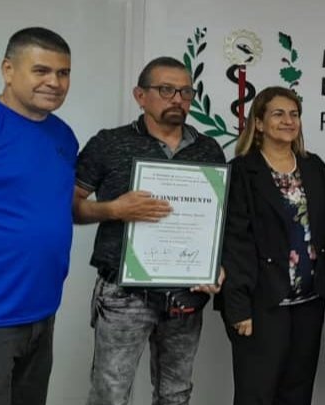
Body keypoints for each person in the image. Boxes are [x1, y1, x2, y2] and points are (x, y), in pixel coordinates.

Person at [72, 57, 225, 405]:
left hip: (186, 293)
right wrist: (112, 209)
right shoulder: (109, 143)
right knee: (110, 393)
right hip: (124, 294)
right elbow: (70, 206)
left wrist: (215, 263)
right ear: (140, 95)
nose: (178, 99)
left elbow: (216, 219)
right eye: (166, 90)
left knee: (176, 394)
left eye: (186, 92)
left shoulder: (208, 149)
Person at [218, 86, 325, 405]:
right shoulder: (242, 170)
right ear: (258, 122)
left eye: (294, 114)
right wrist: (238, 307)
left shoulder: (314, 167)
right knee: (256, 393)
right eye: (278, 114)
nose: (288, 121)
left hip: (309, 300)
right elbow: (234, 242)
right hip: (262, 303)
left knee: (297, 394)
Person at [0, 27, 75, 405]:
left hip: (43, 310)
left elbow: (56, 210)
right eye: (41, 71)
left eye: (63, 73)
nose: (54, 82)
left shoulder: (63, 136)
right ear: (9, 70)